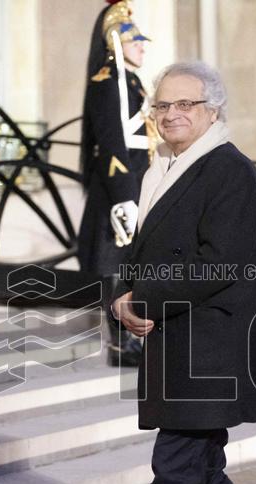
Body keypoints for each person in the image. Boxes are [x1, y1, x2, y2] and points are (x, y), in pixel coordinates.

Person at [81, 62, 256, 484]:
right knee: (200, 473)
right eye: (162, 106)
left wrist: (142, 300)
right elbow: (147, 251)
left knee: (175, 472)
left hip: (210, 349)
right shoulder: (166, 167)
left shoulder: (228, 171)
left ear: (212, 110)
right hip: (181, 343)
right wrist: (122, 295)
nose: (171, 115)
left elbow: (221, 263)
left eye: (185, 105)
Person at [78, 0, 155, 366]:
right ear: (115, 42)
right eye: (134, 40)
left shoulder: (133, 82)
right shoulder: (108, 81)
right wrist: (124, 195)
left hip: (138, 180)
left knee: (131, 265)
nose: (142, 46)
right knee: (115, 264)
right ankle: (119, 342)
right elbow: (109, 142)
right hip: (118, 185)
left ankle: (132, 338)